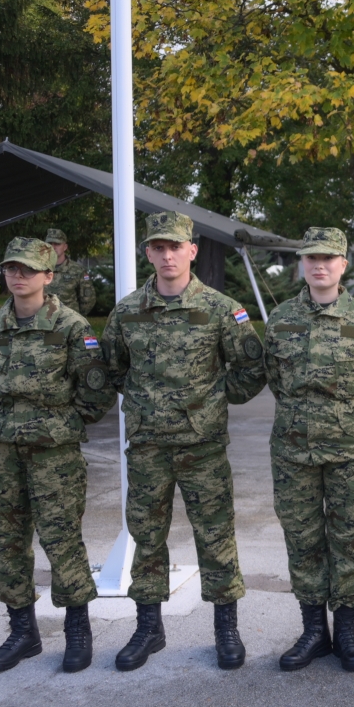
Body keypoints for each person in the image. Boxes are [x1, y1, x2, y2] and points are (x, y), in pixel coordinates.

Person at [102, 211, 267, 671]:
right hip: (149, 447)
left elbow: (251, 367)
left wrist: (214, 401)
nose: (167, 254)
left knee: (215, 537)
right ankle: (149, 628)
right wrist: (144, 404)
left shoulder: (220, 308)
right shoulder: (128, 312)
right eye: (158, 247)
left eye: (176, 246)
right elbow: (114, 368)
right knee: (147, 537)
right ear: (149, 253)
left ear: (192, 250)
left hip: (203, 447)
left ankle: (225, 627)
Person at [0, 237, 113, 673]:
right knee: (7, 541)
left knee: (61, 539)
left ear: (48, 276)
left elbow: (95, 395)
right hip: (3, 453)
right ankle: (22, 632)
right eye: (12, 267)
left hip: (54, 455)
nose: (18, 275)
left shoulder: (71, 327)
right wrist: (11, 422)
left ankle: (77, 631)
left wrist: (53, 425)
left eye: (28, 269)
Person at [265, 227, 354, 672]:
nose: (319, 265)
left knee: (348, 540)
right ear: (301, 263)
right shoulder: (279, 319)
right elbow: (275, 379)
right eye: (311, 257)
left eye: (328, 258)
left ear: (343, 265)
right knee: (303, 540)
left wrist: (340, 419)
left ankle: (348, 630)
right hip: (293, 452)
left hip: (350, 451)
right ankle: (314, 629)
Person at [43, 229, 97, 316]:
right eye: (50, 244)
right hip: (42, 321)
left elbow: (88, 299)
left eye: (57, 244)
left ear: (65, 247)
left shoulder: (77, 270)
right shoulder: (38, 268)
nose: (53, 247)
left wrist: (76, 316)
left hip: (68, 323)